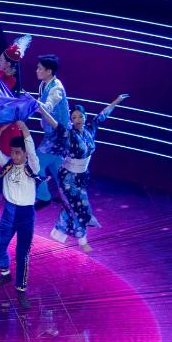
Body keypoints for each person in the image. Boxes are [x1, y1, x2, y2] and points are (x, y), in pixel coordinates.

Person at [50, 94, 128, 252]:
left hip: (81, 176)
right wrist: (41, 109)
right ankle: (83, 242)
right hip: (68, 178)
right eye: (74, 117)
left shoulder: (90, 130)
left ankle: (57, 234)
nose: (77, 119)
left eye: (80, 116)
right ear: (71, 120)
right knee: (80, 208)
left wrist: (116, 100)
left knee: (71, 206)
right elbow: (55, 125)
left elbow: (102, 115)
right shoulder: (70, 134)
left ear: (85, 117)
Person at [0, 120, 40, 310]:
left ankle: (21, 290)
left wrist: (24, 128)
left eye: (18, 152)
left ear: (25, 153)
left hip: (26, 216)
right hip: (8, 213)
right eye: (12, 152)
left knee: (22, 254)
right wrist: (1, 130)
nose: (14, 156)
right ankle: (5, 274)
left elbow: (31, 150)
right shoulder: (7, 165)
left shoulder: (33, 166)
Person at [0, 36, 31, 171]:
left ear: (8, 64)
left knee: (1, 147)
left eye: (2, 60)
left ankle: (1, 172)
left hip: (4, 121)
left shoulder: (11, 81)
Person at [34, 54, 70, 204]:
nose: (37, 71)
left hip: (58, 135)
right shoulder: (45, 84)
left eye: (40, 68)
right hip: (53, 134)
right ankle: (69, 195)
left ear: (49, 71)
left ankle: (44, 197)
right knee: (56, 166)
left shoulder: (56, 88)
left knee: (36, 163)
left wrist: (30, 103)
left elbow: (47, 107)